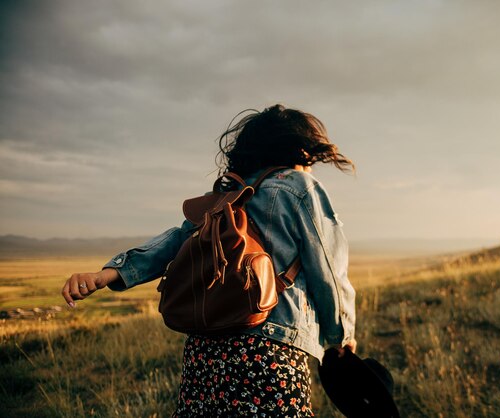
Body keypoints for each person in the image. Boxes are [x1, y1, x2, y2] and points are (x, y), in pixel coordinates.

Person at [61, 104, 357, 417]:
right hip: (270, 346)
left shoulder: (225, 196)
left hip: (205, 350)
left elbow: (177, 241)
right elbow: (329, 269)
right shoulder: (301, 187)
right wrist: (341, 337)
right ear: (301, 151)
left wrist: (111, 272)